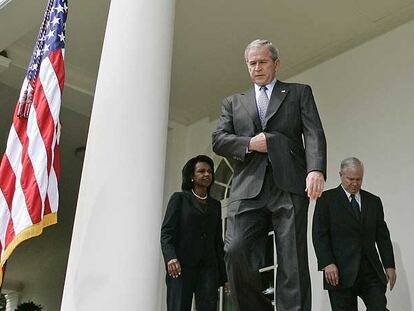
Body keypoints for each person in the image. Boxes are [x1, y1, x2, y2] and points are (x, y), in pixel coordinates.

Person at [212, 39, 326, 311]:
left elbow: (313, 133)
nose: (257, 68)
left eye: (262, 62)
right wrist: (250, 143)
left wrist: (315, 169)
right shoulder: (233, 102)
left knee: (292, 260)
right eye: (252, 63)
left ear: (276, 63)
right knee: (235, 249)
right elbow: (218, 139)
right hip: (247, 188)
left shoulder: (298, 93)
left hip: (288, 185)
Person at [312, 157, 396, 310]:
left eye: (359, 179)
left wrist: (389, 265)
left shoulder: (373, 201)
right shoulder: (326, 200)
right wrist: (327, 263)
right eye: (351, 179)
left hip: (370, 270)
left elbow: (382, 236)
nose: (355, 183)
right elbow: (319, 234)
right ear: (341, 175)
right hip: (339, 272)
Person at [160, 155, 229, 311]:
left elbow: (218, 242)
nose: (207, 174)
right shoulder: (179, 199)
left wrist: (224, 277)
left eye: (210, 171)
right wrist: (171, 258)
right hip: (181, 267)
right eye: (201, 171)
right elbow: (166, 232)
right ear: (192, 176)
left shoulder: (215, 205)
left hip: (207, 268)